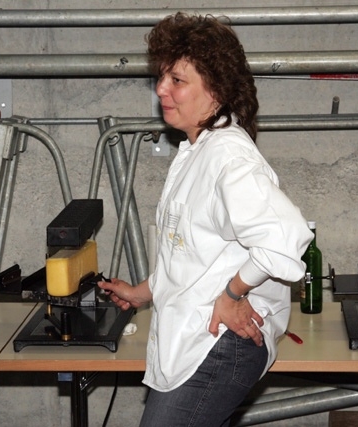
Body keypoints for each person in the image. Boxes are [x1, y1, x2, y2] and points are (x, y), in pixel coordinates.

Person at [98, 12, 313, 427]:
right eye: (162, 76)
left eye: (177, 80)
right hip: (201, 339)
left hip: (218, 343)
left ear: (215, 90)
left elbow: (285, 238)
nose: (161, 88)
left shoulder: (228, 157)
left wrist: (233, 293)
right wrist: (143, 292)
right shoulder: (198, 150)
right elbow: (197, 256)